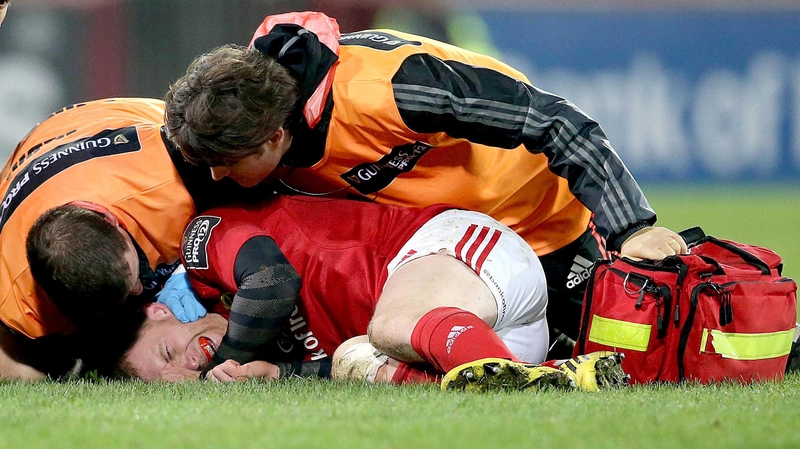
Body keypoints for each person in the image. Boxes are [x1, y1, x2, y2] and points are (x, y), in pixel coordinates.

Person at [162, 12, 688, 356]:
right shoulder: (251, 120)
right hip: (451, 253)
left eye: (225, 164)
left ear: (275, 137)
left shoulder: (393, 88)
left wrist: (631, 227)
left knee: (652, 352)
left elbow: (551, 118)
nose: (215, 178)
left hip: (544, 226)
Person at [122, 195, 628, 392]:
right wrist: (277, 374)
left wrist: (219, 369)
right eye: (175, 375)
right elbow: (320, 365)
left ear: (162, 311)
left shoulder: (205, 245)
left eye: (170, 350)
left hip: (456, 252)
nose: (189, 363)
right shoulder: (259, 358)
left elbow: (273, 284)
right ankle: (545, 381)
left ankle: (532, 380)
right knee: (353, 360)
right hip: (472, 337)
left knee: (385, 329)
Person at [0, 97, 245, 379]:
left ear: (114, 224)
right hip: (22, 174)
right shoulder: (18, 303)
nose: (141, 289)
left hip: (120, 129)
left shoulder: (173, 178)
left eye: (133, 279)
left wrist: (186, 268)